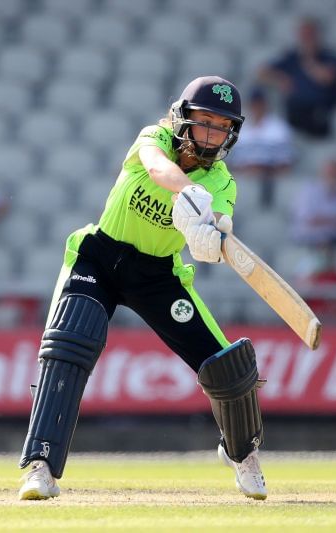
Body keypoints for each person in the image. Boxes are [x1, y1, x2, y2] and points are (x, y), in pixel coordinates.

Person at [17, 76, 268, 501]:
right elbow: (156, 166)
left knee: (231, 368)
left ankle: (242, 454)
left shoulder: (222, 182)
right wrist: (188, 190)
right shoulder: (153, 138)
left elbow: (221, 225)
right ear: (181, 120)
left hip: (158, 275)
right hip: (99, 257)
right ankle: (40, 466)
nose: (211, 135)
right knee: (69, 344)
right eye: (203, 122)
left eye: (221, 127)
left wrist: (212, 237)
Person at [259, 17, 336, 138]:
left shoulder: (327, 56)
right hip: (294, 111)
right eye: (303, 35)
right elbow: (261, 72)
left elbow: (327, 78)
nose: (306, 39)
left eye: (309, 35)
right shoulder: (292, 57)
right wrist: (280, 79)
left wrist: (309, 61)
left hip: (319, 113)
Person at [228, 86, 294, 207]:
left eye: (259, 104)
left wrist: (263, 170)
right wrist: (248, 169)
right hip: (245, 178)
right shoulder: (240, 128)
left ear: (265, 104)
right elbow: (232, 163)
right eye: (253, 104)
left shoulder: (278, 128)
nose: (256, 107)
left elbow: (286, 164)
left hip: (270, 179)